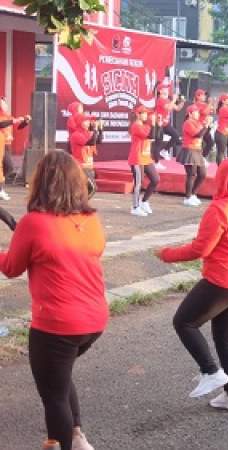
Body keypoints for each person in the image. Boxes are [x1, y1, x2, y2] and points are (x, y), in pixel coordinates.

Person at [0, 151, 107, 450]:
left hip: (57, 325)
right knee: (59, 376)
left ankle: (63, 442)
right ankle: (76, 436)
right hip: (94, 319)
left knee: (53, 394)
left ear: (41, 182)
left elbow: (10, 268)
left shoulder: (34, 223)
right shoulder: (91, 219)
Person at [157, 159, 228, 411]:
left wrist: (167, 254)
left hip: (223, 280)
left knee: (184, 322)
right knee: (226, 338)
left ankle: (210, 370)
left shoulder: (219, 209)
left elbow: (200, 248)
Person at [128, 105, 160, 217]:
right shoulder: (136, 126)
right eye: (144, 113)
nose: (147, 115)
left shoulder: (145, 125)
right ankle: (135, 207)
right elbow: (150, 134)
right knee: (138, 183)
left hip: (146, 158)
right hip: (137, 158)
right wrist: (153, 123)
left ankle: (144, 201)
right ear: (138, 114)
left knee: (155, 179)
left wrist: (157, 124)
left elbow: (155, 136)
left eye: (147, 113)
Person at [177, 104, 212, 207]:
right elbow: (197, 134)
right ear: (190, 114)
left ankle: (193, 194)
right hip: (189, 150)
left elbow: (203, 134)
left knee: (202, 174)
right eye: (196, 112)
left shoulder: (198, 122)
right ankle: (187, 197)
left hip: (197, 150)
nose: (198, 114)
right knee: (191, 175)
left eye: (198, 112)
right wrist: (205, 126)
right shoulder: (188, 123)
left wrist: (208, 126)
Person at [0, 97, 30, 200]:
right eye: (2, 104)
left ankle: (0, 188)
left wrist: (25, 122)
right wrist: (13, 121)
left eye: (5, 104)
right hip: (1, 145)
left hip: (7, 145)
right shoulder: (3, 118)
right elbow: (1, 124)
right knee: (7, 166)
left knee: (7, 168)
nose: (5, 106)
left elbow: (19, 127)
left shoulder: (9, 116)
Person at [153, 81, 185, 167]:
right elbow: (168, 107)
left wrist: (182, 102)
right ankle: (156, 162)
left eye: (167, 89)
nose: (167, 90)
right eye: (164, 89)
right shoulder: (160, 100)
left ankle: (165, 150)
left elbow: (177, 108)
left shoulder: (167, 100)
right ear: (160, 91)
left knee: (176, 135)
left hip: (165, 124)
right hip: (159, 124)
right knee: (158, 143)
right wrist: (174, 99)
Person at [69, 113, 103, 186]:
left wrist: (100, 129)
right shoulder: (76, 134)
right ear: (80, 122)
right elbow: (91, 142)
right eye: (86, 120)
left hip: (89, 167)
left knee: (91, 189)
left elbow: (99, 141)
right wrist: (95, 129)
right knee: (83, 190)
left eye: (89, 121)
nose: (89, 122)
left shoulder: (87, 133)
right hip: (81, 168)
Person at [193, 89, 215, 160]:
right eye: (203, 95)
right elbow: (204, 112)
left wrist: (213, 103)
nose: (205, 96)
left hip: (205, 126)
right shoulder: (197, 104)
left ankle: (202, 158)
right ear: (198, 96)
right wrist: (210, 103)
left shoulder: (205, 104)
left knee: (210, 142)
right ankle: (199, 158)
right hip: (199, 127)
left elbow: (213, 111)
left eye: (204, 95)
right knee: (199, 144)